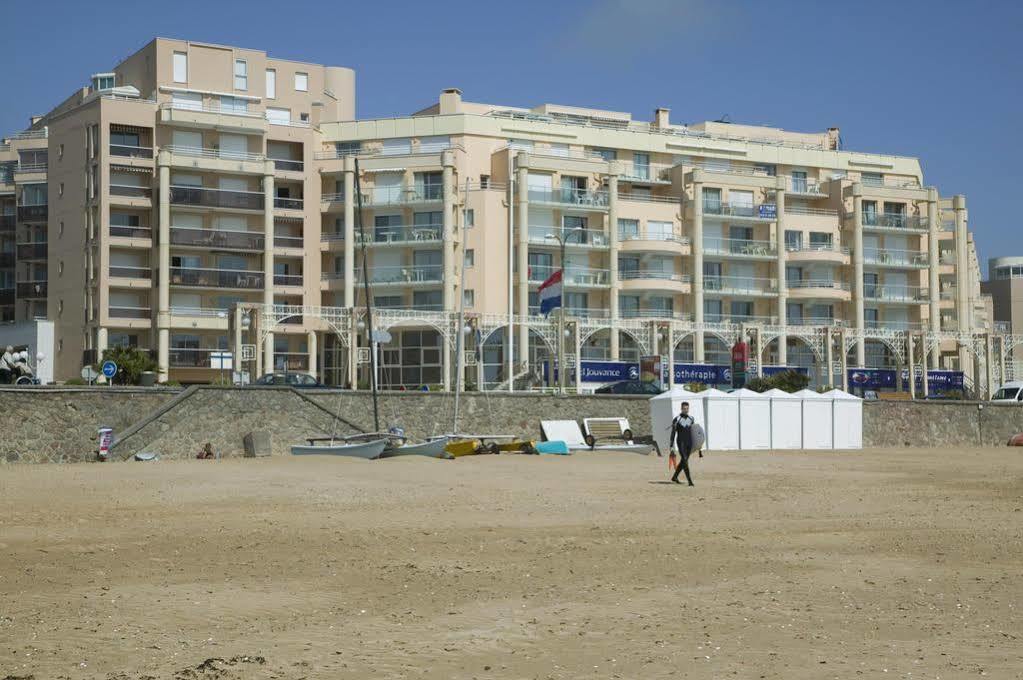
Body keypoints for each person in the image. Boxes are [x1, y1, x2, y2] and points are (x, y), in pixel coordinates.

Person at [669, 401, 698, 486]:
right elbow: (673, 433)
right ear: (681, 409)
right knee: (685, 460)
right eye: (684, 409)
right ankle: (690, 481)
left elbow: (693, 432)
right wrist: (671, 446)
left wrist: (697, 445)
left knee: (683, 461)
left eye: (687, 408)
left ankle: (674, 477)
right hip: (681, 442)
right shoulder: (677, 419)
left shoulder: (691, 418)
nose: (686, 410)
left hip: (689, 443)